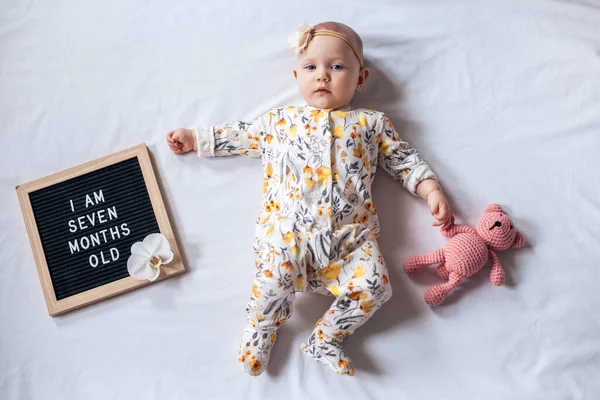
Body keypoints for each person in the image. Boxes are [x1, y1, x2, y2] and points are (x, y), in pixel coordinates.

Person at [167, 21, 454, 376]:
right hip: (289, 234)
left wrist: (430, 189)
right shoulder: (280, 122)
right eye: (311, 67)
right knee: (271, 280)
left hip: (350, 240)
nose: (323, 76)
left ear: (361, 78)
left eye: (336, 67)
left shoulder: (371, 123)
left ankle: (327, 337)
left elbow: (402, 159)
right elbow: (242, 135)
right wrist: (196, 138)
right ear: (296, 75)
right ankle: (261, 329)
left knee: (376, 286)